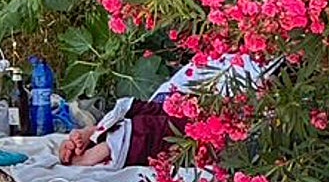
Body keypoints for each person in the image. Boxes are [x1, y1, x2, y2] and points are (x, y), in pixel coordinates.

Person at [58, 53, 281, 170]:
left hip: (211, 95)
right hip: (207, 93)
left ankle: (103, 139)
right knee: (167, 124)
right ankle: (100, 136)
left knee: (163, 124)